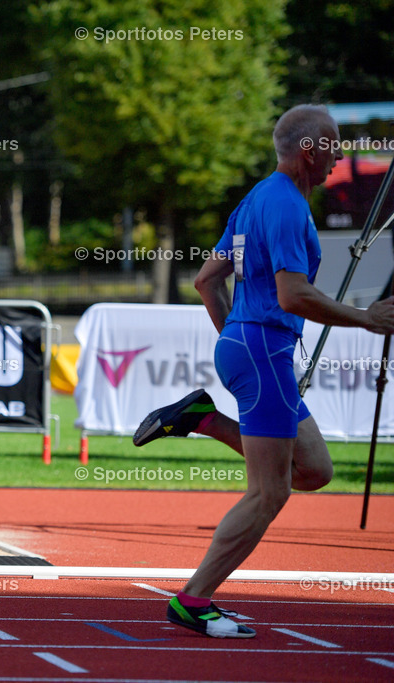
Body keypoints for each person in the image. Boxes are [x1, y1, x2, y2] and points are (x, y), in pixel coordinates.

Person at [132, 104, 394, 638]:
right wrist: (366, 319)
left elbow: (208, 279)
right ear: (308, 151)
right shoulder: (287, 208)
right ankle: (193, 599)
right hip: (264, 351)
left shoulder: (256, 200)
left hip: (249, 346)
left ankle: (201, 418)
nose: (339, 156)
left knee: (314, 470)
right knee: (268, 492)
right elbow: (292, 294)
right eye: (333, 146)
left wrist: (235, 336)